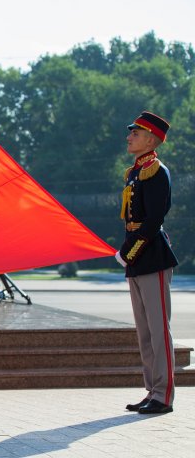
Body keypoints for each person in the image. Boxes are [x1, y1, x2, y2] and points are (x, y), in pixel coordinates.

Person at [116, 111, 178, 415]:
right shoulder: (135, 172)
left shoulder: (156, 171)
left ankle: (163, 395)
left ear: (151, 139)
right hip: (137, 257)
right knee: (144, 330)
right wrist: (127, 252)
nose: (129, 138)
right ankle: (152, 389)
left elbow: (153, 221)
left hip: (151, 256)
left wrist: (129, 252)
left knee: (158, 329)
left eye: (135, 134)